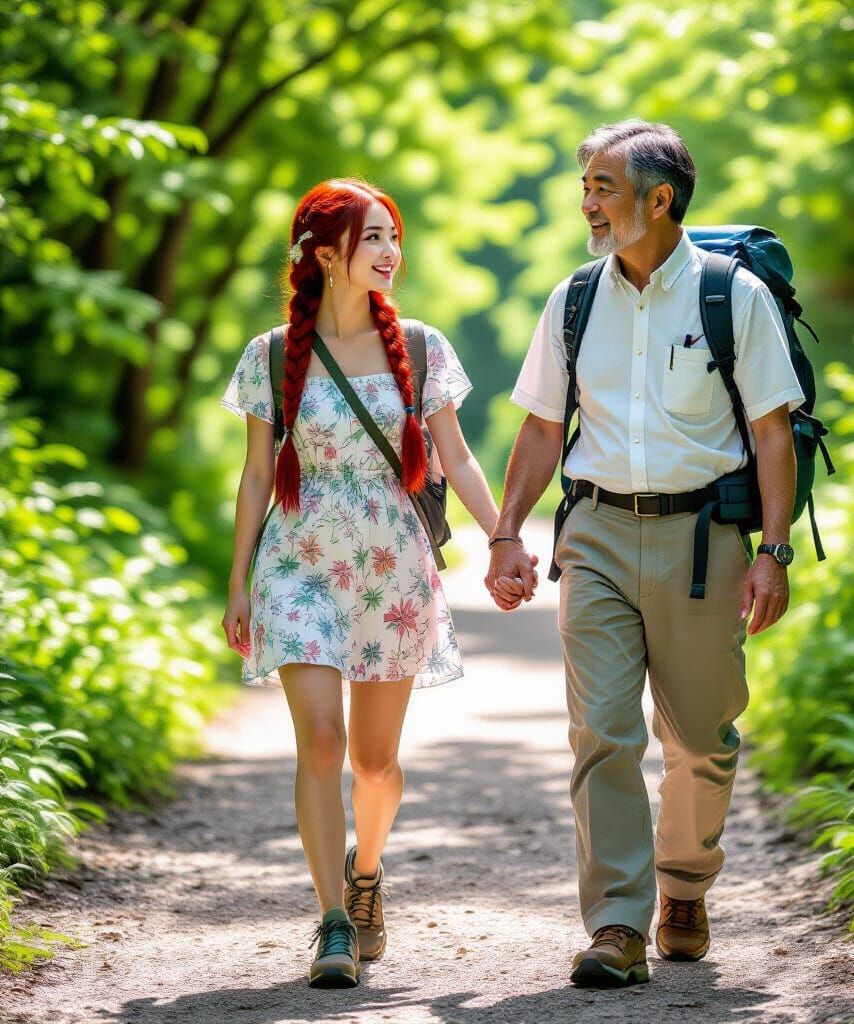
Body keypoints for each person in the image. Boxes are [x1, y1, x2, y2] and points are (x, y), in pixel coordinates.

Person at [486, 120, 806, 988]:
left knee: (702, 737)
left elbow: (773, 434)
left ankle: (686, 884)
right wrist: (508, 531)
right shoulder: (574, 299)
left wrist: (773, 550)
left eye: (602, 187)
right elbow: (543, 426)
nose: (586, 203)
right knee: (603, 733)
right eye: (584, 186)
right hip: (592, 534)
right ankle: (619, 923)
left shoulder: (732, 297)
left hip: (704, 542)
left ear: (659, 199)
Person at [220, 178, 526, 988]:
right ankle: (329, 921)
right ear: (326, 255)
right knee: (320, 743)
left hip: (391, 571)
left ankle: (366, 875)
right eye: (375, 238)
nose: (392, 252)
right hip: (298, 564)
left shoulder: (422, 347)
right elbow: (255, 478)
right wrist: (239, 580)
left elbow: (455, 457)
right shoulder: (269, 355)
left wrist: (503, 537)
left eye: (395, 236)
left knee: (375, 762)